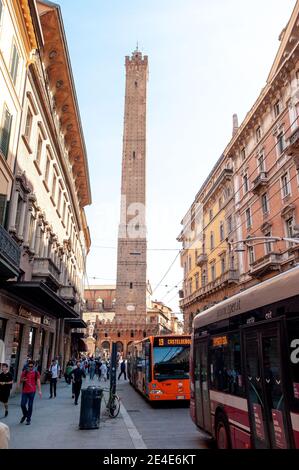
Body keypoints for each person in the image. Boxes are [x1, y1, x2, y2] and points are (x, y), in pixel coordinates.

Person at [19, 360, 42, 425]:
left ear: (34, 366)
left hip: (32, 391)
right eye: (29, 366)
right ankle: (25, 414)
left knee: (30, 405)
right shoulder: (25, 372)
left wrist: (39, 390)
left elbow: (38, 382)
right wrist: (23, 380)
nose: (30, 367)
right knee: (22, 404)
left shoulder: (36, 373)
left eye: (32, 366)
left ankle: (28, 419)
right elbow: (20, 381)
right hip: (25, 391)